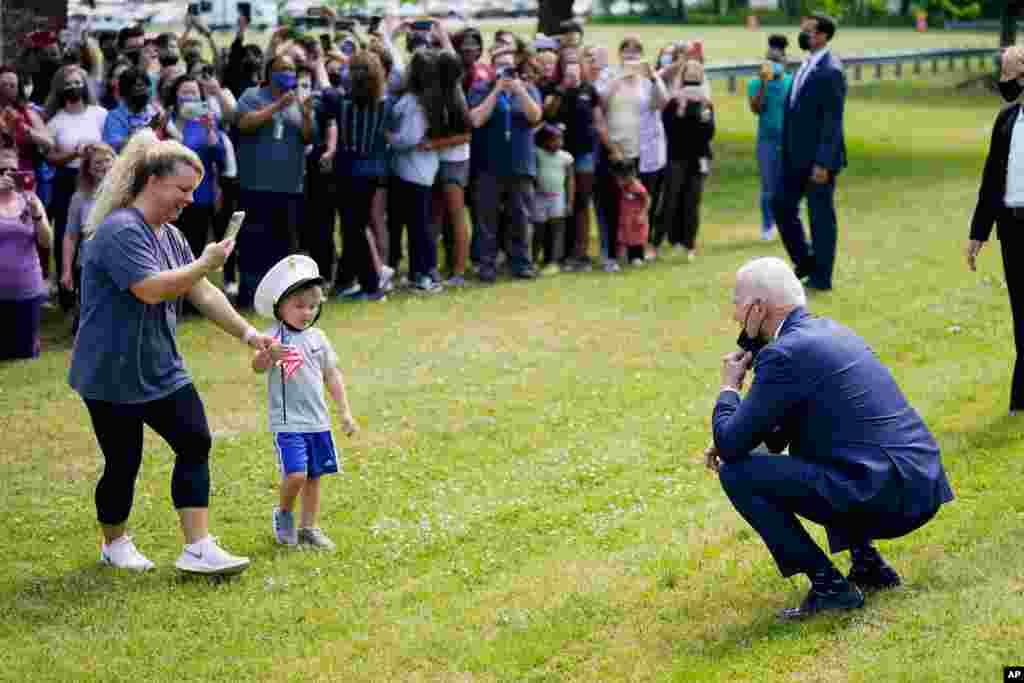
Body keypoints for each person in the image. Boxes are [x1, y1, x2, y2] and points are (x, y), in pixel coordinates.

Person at [68, 130, 275, 574]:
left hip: (160, 367)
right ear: (152, 182)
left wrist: (247, 334)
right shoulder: (121, 230)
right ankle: (115, 542)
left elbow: (202, 293)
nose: (188, 200)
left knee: (194, 439)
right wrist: (204, 262)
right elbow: (148, 290)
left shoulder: (170, 236)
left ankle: (197, 547)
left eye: (193, 192)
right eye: (182, 189)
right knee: (123, 462)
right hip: (111, 371)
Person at [706, 257, 955, 619]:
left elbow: (731, 446)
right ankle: (868, 566)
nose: (734, 316)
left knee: (737, 474)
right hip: (918, 483)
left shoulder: (784, 353)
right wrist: (742, 431)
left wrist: (729, 388)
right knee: (823, 452)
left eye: (737, 304)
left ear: (758, 309)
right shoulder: (829, 331)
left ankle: (831, 589)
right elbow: (776, 439)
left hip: (888, 494)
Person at [252, 255, 358, 549]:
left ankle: (309, 528)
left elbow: (332, 376)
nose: (306, 312)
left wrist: (345, 412)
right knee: (296, 474)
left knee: (314, 477)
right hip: (288, 422)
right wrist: (267, 355)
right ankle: (284, 513)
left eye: (312, 306)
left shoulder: (318, 338)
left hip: (318, 421)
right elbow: (257, 367)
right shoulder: (273, 336)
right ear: (279, 307)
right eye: (299, 306)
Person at [234, 54, 316, 308]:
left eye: (291, 70)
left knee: (285, 246)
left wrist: (306, 113)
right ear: (269, 74)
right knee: (254, 244)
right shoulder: (252, 96)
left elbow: (308, 137)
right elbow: (243, 124)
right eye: (282, 69)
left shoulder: (299, 100)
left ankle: (283, 299)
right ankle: (249, 296)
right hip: (256, 185)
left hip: (289, 187)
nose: (287, 74)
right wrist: (277, 106)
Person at [967, 50, 1024, 414]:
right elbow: (991, 180)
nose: (1004, 82)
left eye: (1009, 74)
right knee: (1021, 310)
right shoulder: (1007, 120)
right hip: (1013, 228)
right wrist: (978, 232)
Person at [774, 14, 847, 292]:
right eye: (802, 29)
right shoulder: (805, 64)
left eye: (809, 31)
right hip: (793, 156)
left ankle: (822, 277)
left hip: (818, 160)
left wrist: (823, 162)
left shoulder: (831, 70)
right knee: (780, 204)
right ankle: (805, 262)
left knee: (820, 218)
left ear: (823, 35)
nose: (803, 34)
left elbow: (832, 120)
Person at [468, 46, 543, 283]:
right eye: (500, 65)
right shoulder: (481, 89)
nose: (505, 70)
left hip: (520, 164)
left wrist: (519, 90)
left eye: (509, 65)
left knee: (520, 217)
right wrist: (496, 91)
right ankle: (486, 264)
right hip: (489, 165)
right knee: (486, 219)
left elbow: (535, 116)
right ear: (492, 68)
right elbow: (476, 119)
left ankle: (521, 263)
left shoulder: (529, 89)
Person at [45, 65, 108, 310]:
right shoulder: (55, 122)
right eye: (67, 83)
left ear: (85, 84)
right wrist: (75, 152)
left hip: (99, 178)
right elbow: (51, 157)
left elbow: (110, 147)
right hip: (67, 179)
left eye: (77, 82)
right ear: (60, 88)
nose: (73, 87)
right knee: (67, 232)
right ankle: (67, 290)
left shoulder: (100, 114)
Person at [656, 60, 714, 261]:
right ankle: (658, 240)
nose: (693, 79)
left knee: (692, 201)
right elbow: (668, 129)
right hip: (677, 156)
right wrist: (679, 110)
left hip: (698, 158)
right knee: (670, 199)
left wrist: (705, 117)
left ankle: (689, 244)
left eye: (697, 74)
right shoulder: (674, 101)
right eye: (690, 74)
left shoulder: (706, 103)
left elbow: (709, 133)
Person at [0, 146, 52, 360]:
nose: (6, 175)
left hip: (27, 288)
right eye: (1, 170)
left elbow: (46, 241)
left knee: (25, 355)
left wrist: (37, 216)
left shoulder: (31, 200)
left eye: (12, 170)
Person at [61, 142, 114, 333]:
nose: (103, 166)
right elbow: (70, 236)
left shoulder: (128, 195)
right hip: (89, 265)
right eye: (97, 163)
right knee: (89, 322)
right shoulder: (79, 198)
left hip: (121, 263)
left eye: (107, 161)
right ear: (88, 169)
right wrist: (66, 271)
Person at [748, 35, 792, 241]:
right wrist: (764, 84)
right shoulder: (755, 83)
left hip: (790, 141)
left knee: (790, 184)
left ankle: (789, 223)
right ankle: (767, 225)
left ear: (784, 63)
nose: (773, 66)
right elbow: (756, 108)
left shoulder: (791, 82)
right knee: (768, 186)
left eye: (777, 62)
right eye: (770, 62)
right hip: (767, 141)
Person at [532, 123, 574, 274]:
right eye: (554, 140)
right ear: (543, 141)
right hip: (539, 197)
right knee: (538, 230)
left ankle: (553, 261)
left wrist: (569, 202)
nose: (558, 143)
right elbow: (530, 137)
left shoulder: (566, 157)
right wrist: (540, 126)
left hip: (557, 197)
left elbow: (570, 180)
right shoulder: (537, 153)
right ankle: (534, 259)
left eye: (560, 140)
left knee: (556, 229)